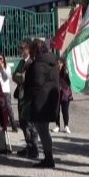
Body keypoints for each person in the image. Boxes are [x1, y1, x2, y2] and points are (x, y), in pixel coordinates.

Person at [24, 38, 60, 169]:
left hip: (40, 102)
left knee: (43, 131)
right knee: (44, 131)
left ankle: (48, 158)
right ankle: (48, 157)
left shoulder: (38, 65)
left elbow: (35, 84)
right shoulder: (53, 62)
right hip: (52, 101)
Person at [13, 38, 38, 158]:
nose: (21, 50)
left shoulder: (32, 62)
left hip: (28, 96)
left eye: (22, 48)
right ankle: (28, 146)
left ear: (28, 49)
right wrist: (19, 77)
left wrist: (20, 77)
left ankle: (34, 148)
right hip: (21, 95)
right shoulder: (22, 62)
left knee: (29, 124)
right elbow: (15, 76)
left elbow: (23, 78)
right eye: (20, 48)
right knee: (23, 123)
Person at [0, 53, 15, 132]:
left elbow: (6, 78)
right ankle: (3, 124)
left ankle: (13, 124)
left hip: (6, 90)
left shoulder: (7, 68)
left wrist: (2, 68)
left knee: (8, 107)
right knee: (0, 108)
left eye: (1, 58)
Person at [53, 58, 72, 134]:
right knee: (56, 110)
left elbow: (69, 83)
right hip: (56, 93)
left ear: (63, 64)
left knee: (65, 110)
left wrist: (67, 74)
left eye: (60, 63)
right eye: (57, 63)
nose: (58, 64)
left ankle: (66, 126)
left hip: (65, 94)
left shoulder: (66, 72)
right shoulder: (54, 72)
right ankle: (57, 125)